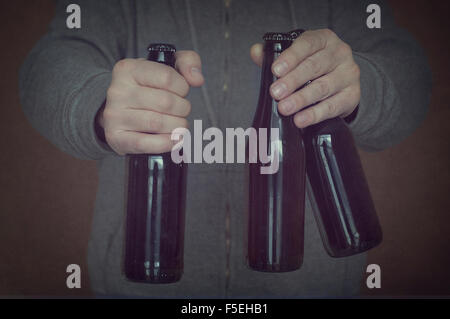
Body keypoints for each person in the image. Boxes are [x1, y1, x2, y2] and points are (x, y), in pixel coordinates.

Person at [19, 0, 431, 298]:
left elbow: (408, 70)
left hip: (309, 287)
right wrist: (97, 103)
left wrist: (360, 84)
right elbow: (51, 60)